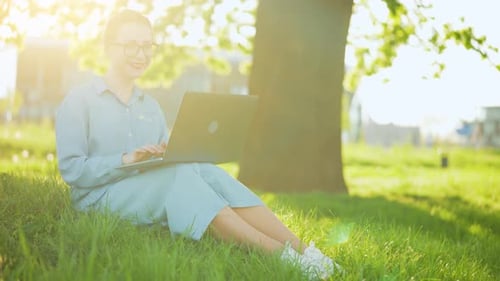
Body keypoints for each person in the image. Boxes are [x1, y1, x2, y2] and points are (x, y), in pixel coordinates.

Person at [55, 9, 340, 280]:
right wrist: (126, 160)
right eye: (130, 46)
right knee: (177, 177)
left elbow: (155, 163)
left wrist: (170, 152)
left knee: (203, 169)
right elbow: (72, 171)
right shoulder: (80, 100)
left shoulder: (150, 106)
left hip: (144, 190)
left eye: (147, 46)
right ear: (108, 48)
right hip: (97, 199)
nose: (140, 54)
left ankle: (307, 252)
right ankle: (283, 257)